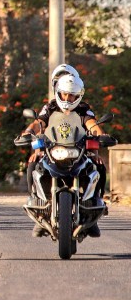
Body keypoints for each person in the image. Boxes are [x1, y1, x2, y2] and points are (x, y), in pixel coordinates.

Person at [21, 73, 107, 238]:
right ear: (58, 92)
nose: (68, 98)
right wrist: (29, 132)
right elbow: (39, 124)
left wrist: (101, 136)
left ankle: (93, 214)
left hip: (79, 150)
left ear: (78, 95)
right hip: (53, 149)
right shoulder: (50, 107)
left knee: (99, 167)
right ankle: (39, 211)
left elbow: (92, 125)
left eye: (72, 94)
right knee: (33, 165)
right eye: (65, 93)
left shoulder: (83, 109)